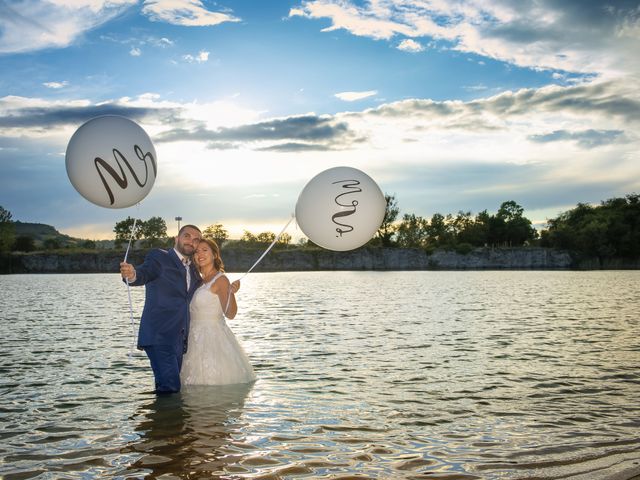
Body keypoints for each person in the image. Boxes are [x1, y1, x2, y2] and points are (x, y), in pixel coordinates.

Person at [119, 224, 202, 394]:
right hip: (159, 335)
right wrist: (133, 274)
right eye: (187, 236)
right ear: (176, 239)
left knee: (165, 387)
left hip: (179, 339)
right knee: (171, 387)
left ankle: (159, 420)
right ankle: (168, 420)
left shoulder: (193, 269)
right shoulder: (159, 257)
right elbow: (145, 272)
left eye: (196, 240)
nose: (191, 241)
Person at [181, 238, 255, 385]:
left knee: (212, 381)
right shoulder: (199, 281)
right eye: (196, 252)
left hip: (212, 339)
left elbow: (231, 314)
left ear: (215, 254)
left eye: (204, 250)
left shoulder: (220, 280)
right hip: (193, 338)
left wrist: (232, 293)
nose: (199, 254)